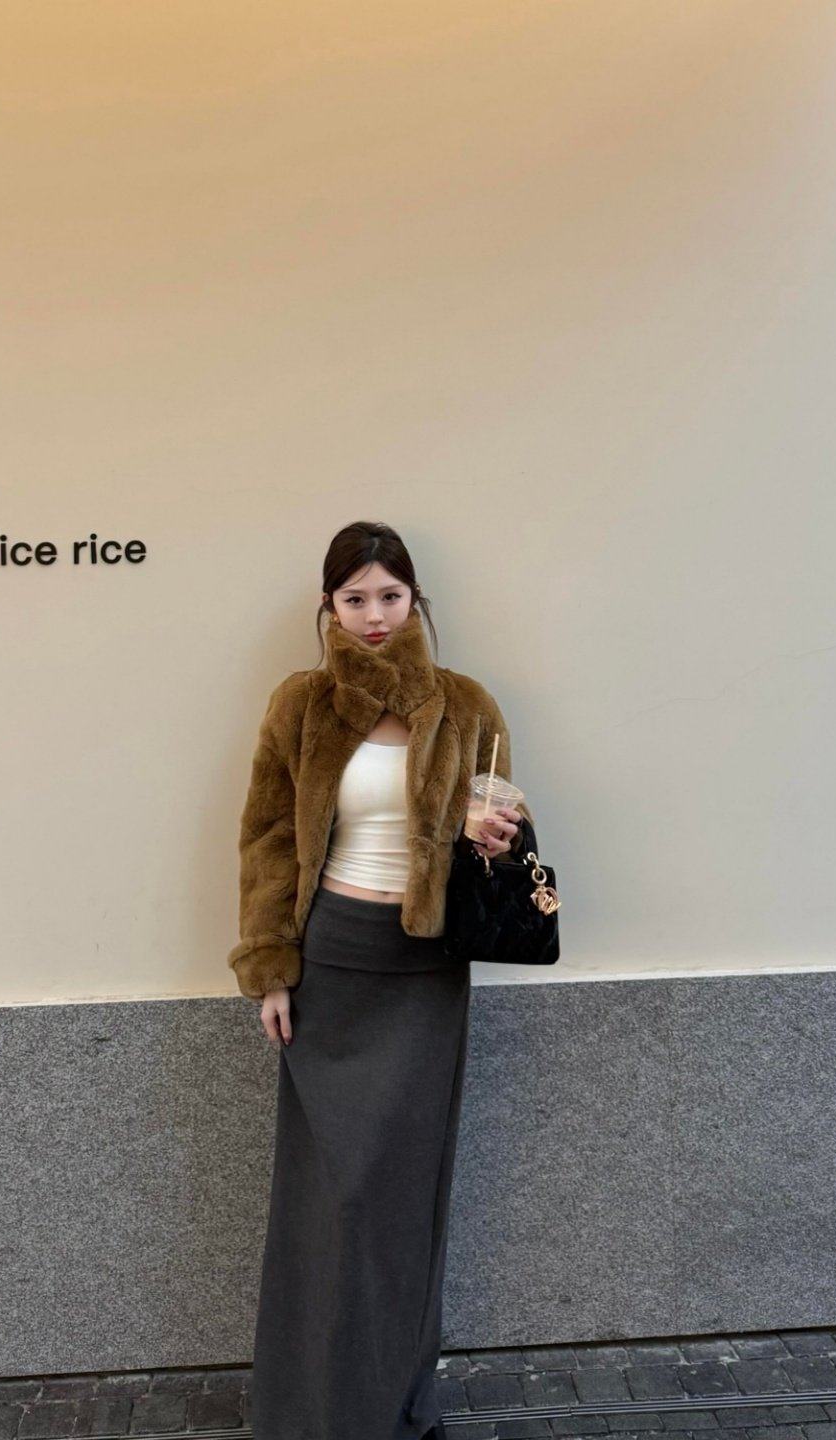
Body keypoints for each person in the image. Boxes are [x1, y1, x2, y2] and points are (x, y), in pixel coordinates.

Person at [228, 521, 534, 1440]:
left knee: (399, 1203)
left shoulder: (466, 706)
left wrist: (491, 838)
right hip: (332, 969)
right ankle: (305, 1415)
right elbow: (268, 838)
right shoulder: (302, 704)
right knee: (328, 1201)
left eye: (389, 596)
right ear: (328, 605)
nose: (373, 615)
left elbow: (500, 835)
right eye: (354, 597)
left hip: (423, 975)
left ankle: (392, 1409)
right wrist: (271, 970)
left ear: (414, 600)